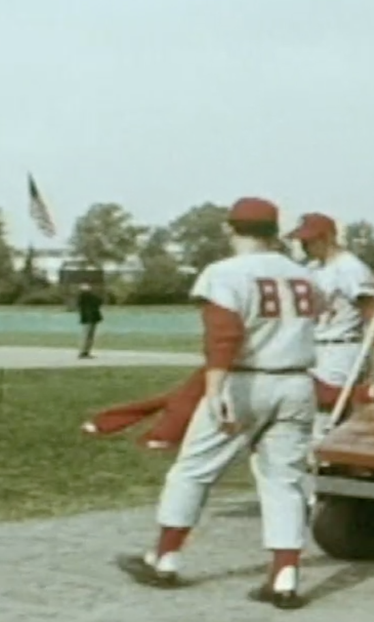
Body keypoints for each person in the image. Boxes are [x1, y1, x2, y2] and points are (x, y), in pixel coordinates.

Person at [114, 197, 318, 610]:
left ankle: (165, 558)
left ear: (231, 228)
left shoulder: (224, 272)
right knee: (284, 480)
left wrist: (213, 389)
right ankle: (284, 575)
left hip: (244, 381)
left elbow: (222, 337)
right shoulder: (303, 275)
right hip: (296, 381)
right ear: (273, 230)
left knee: (193, 470)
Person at [284, 212, 374, 442]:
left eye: (309, 241)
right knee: (310, 414)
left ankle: (333, 464)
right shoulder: (314, 268)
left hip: (341, 348)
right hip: (315, 347)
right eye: (301, 241)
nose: (304, 246)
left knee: (328, 416)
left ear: (327, 237)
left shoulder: (350, 269)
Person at [76, 283, 104, 359]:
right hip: (88, 318)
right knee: (87, 335)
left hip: (92, 318)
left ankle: (86, 351)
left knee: (90, 336)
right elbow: (98, 301)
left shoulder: (91, 297)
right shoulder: (83, 297)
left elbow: (99, 301)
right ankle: (83, 352)